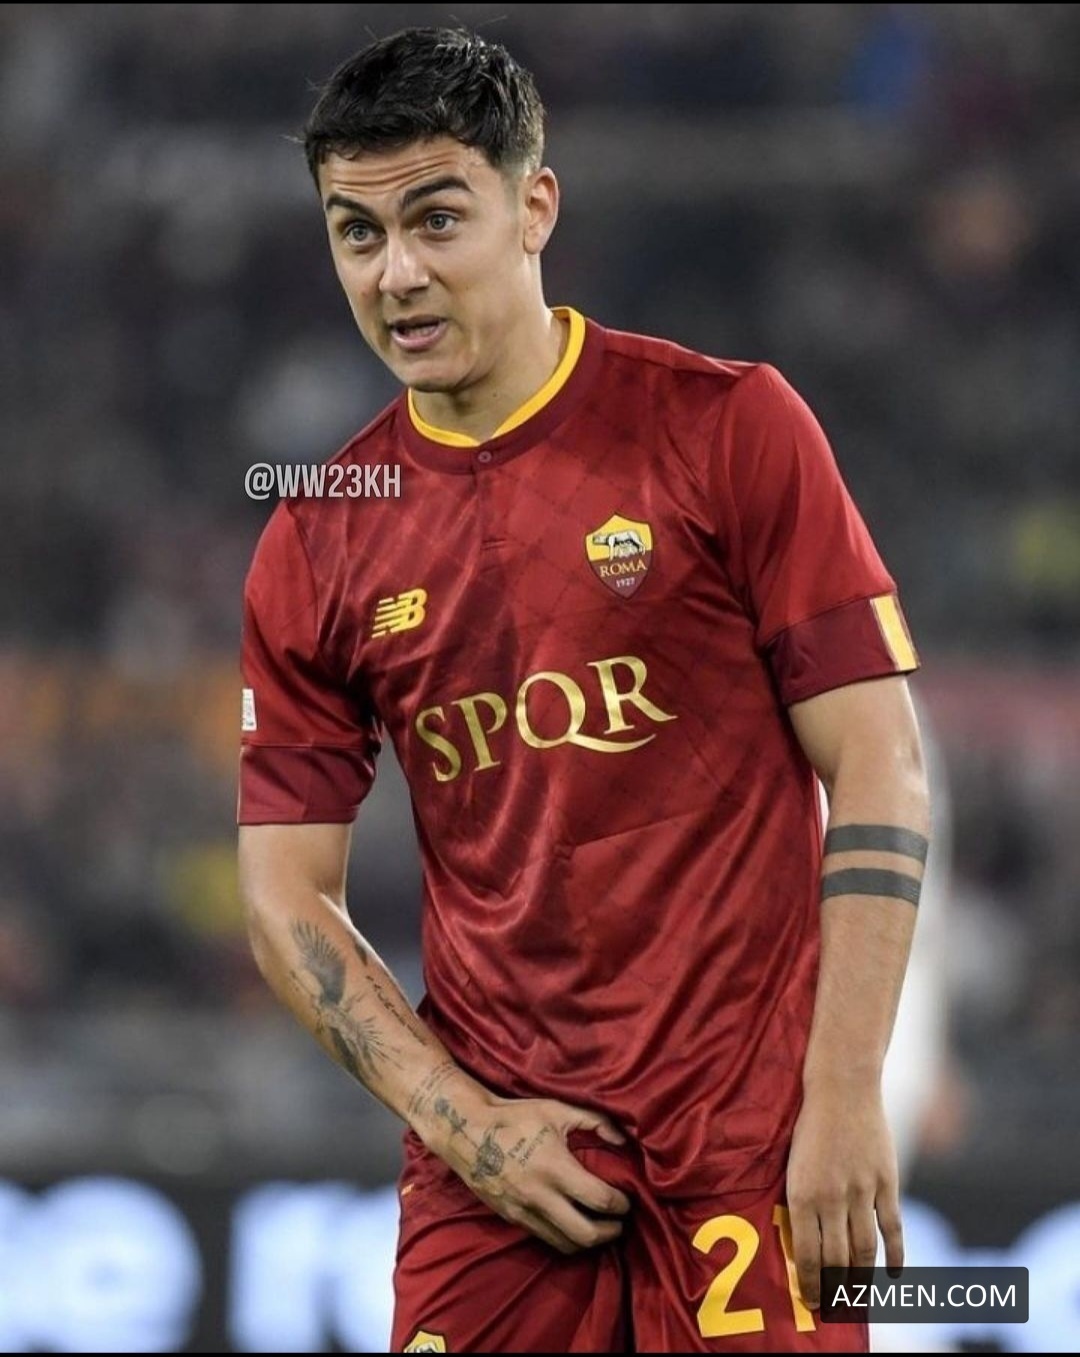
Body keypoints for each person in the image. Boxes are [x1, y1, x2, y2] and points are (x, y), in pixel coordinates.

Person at [237, 26, 932, 1354]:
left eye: (438, 219)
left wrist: (848, 1097)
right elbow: (283, 893)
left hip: (750, 1143)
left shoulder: (726, 428)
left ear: (535, 207)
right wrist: (465, 1125)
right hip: (496, 1177)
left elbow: (880, 762)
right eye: (356, 233)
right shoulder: (320, 535)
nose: (397, 273)